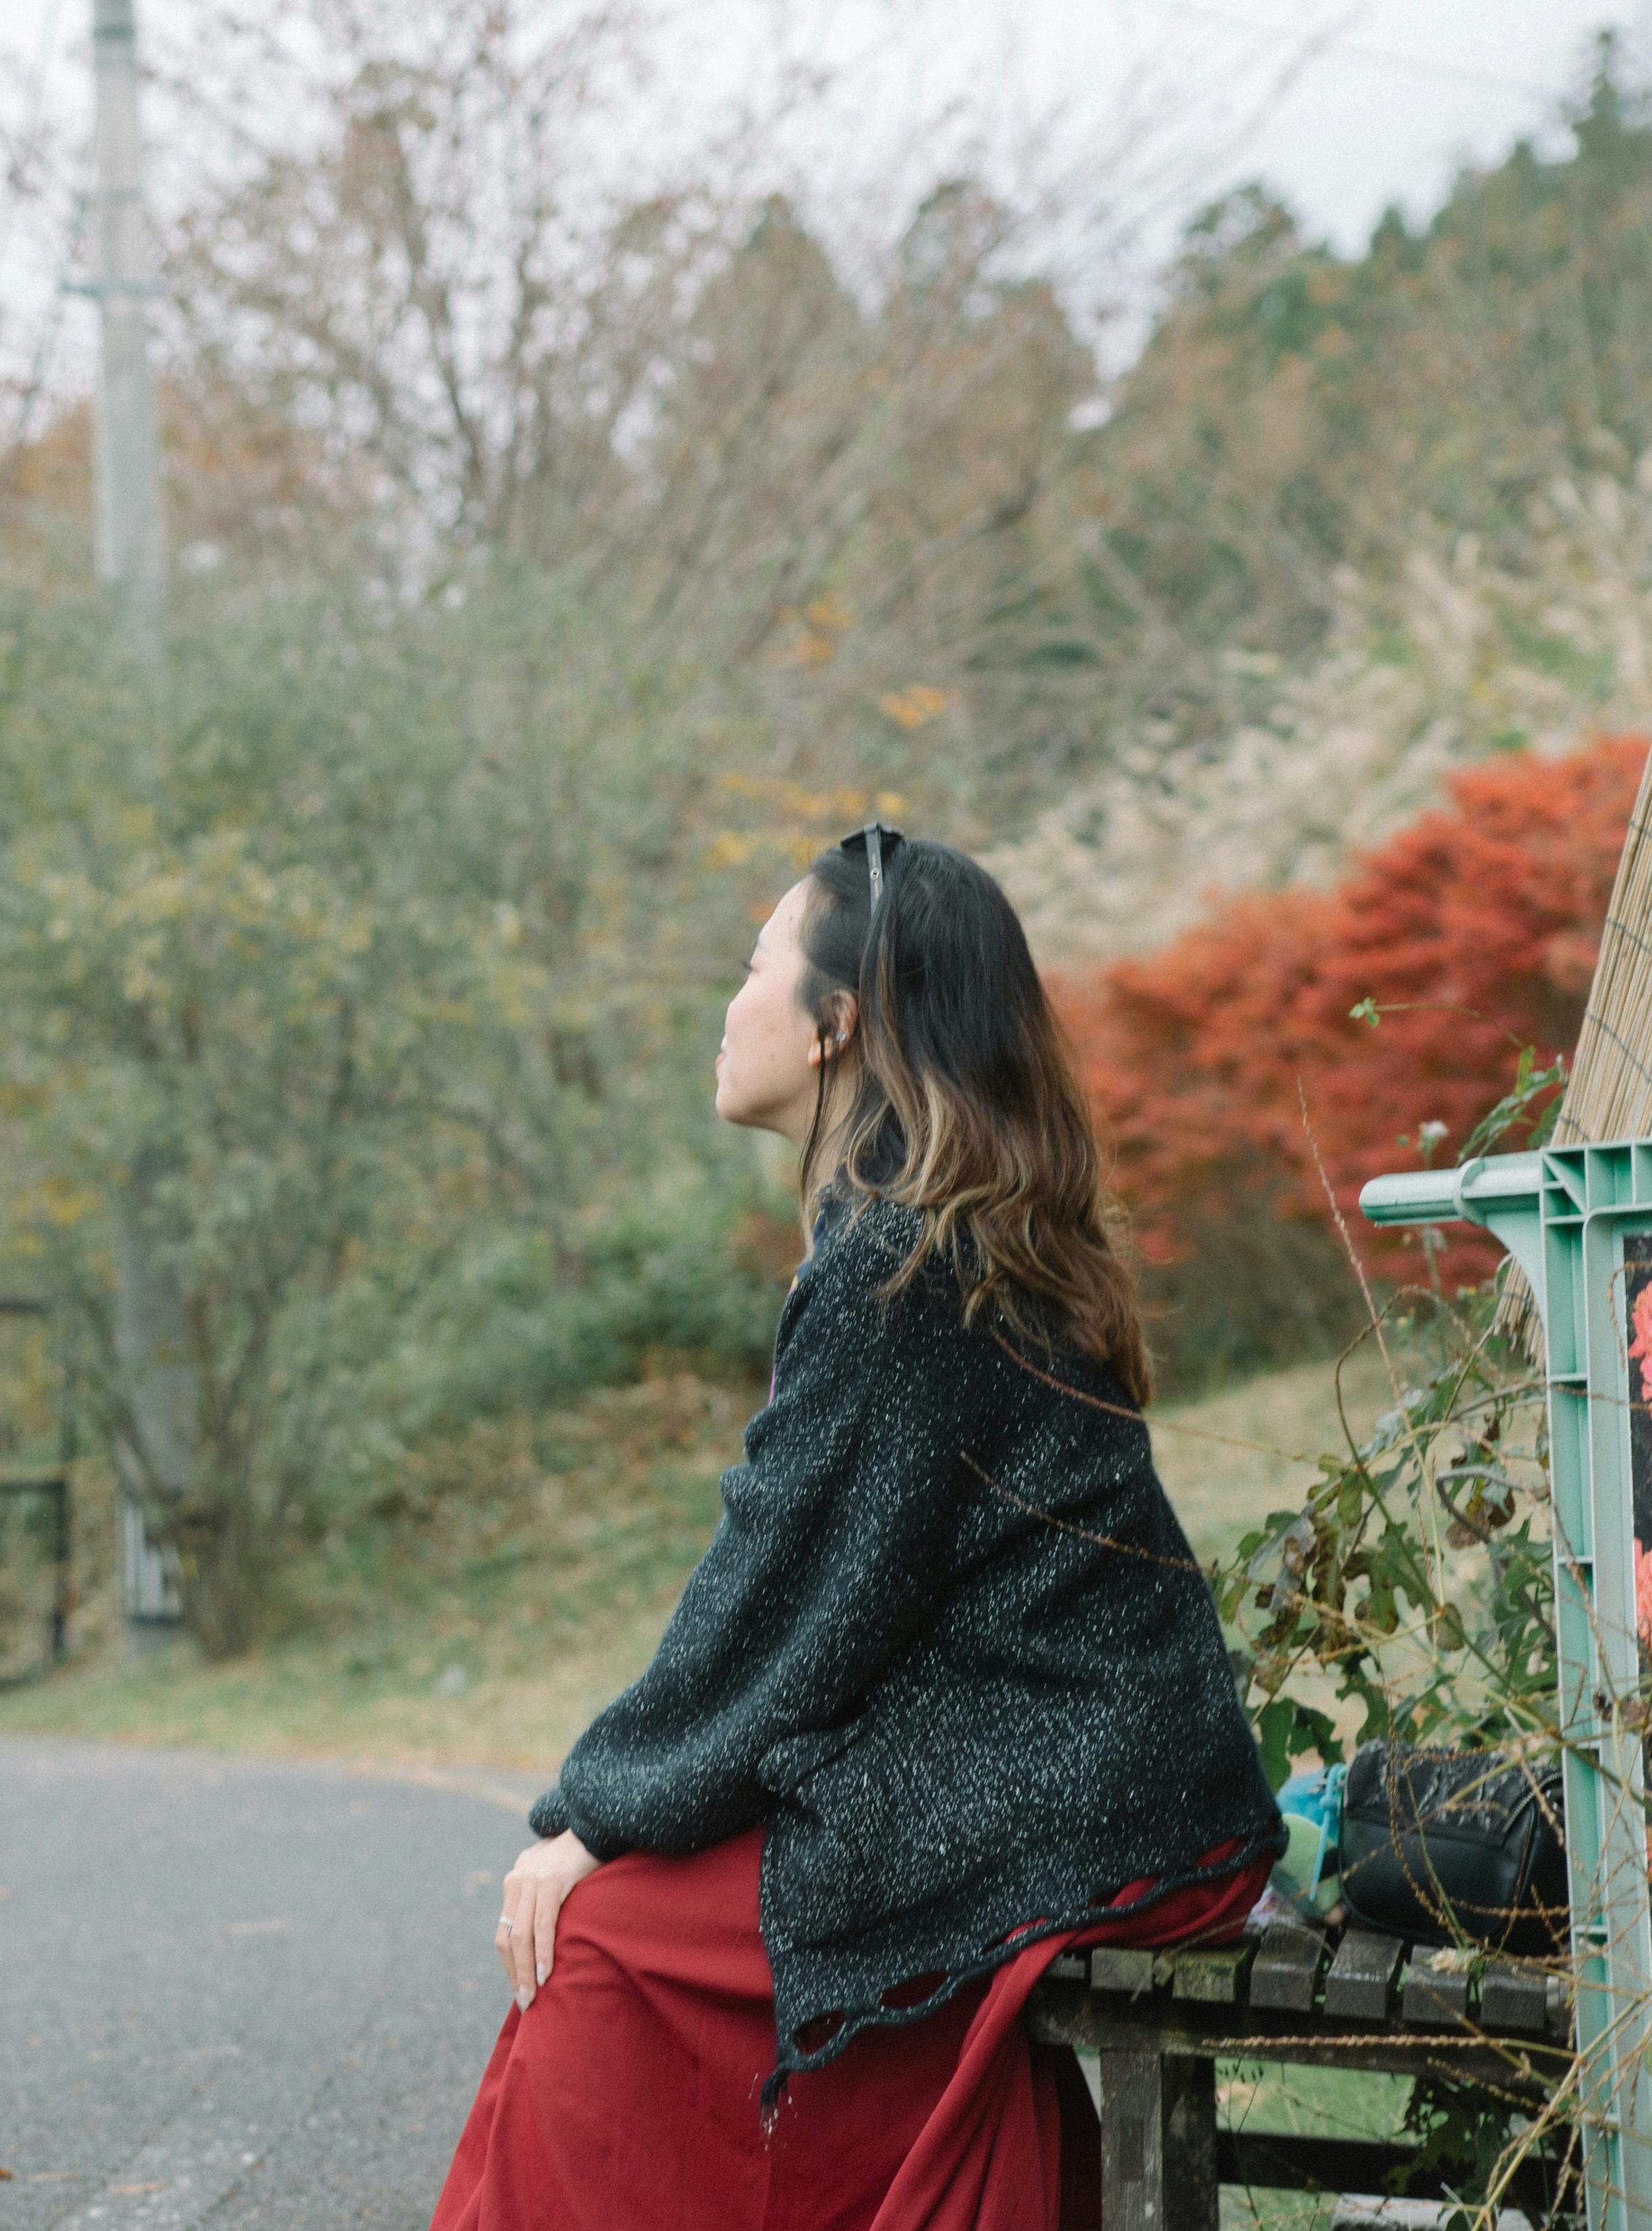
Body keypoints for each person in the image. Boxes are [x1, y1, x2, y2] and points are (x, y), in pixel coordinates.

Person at [429, 825, 1282, 2231]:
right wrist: (609, 1810)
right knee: (620, 1927)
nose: (727, 1000)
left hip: (1071, 1789)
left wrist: (592, 1820)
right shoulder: (914, 1238)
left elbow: (778, 1607)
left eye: (751, 967)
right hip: (1056, 1765)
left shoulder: (901, 1265)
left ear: (833, 1024)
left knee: (598, 1947)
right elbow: (807, 1603)